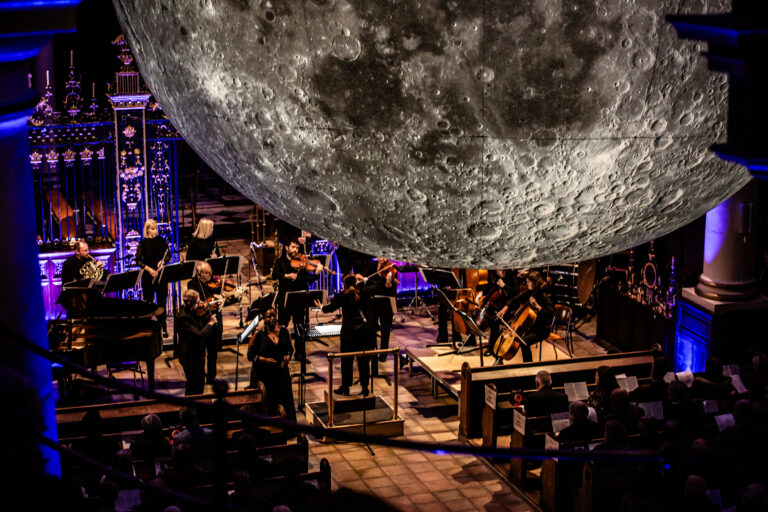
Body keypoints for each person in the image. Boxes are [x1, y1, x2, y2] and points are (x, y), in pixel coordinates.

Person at [316, 274, 377, 396]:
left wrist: (321, 307)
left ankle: (345, 388)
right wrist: (365, 280)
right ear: (356, 282)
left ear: (344, 284)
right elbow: (374, 286)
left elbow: (330, 308)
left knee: (346, 361)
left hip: (348, 333)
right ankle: (365, 388)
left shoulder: (342, 296)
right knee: (363, 361)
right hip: (362, 332)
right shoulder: (364, 292)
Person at [273, 238, 323, 361]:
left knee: (300, 327)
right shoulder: (280, 262)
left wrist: (316, 273)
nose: (296, 250)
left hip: (299, 298)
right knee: (282, 327)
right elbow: (274, 275)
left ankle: (300, 354)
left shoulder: (302, 263)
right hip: (285, 298)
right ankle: (283, 352)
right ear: (286, 248)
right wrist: (287, 275)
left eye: (297, 248)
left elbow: (309, 280)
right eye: (293, 247)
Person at [247, 307, 296, 420]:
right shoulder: (258, 333)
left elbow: (290, 349)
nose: (273, 318)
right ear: (264, 318)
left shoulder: (284, 330)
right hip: (265, 375)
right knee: (268, 404)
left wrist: (288, 356)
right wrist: (264, 359)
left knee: (283, 401)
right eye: (269, 316)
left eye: (274, 315)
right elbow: (250, 356)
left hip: (281, 373)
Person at [495, 270, 554, 362]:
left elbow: (549, 315)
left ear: (536, 282)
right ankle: (500, 359)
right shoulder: (529, 292)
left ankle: (528, 364)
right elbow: (514, 299)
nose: (527, 284)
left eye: (529, 282)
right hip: (531, 327)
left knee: (524, 341)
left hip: (542, 329)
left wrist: (538, 307)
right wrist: (505, 308)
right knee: (504, 330)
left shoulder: (544, 296)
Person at [174, 289, 217, 395]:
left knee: (200, 382)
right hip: (190, 356)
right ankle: (190, 408)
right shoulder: (183, 317)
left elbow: (199, 321)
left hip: (197, 354)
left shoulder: (191, 310)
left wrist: (206, 313)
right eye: (198, 302)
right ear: (189, 303)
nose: (200, 304)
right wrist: (210, 323)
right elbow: (198, 335)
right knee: (193, 384)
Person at [187, 261, 224, 383]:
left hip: (213, 322)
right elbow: (197, 299)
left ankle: (211, 376)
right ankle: (200, 376)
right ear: (199, 273)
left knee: (213, 352)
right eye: (206, 273)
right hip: (201, 323)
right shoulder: (192, 284)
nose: (209, 275)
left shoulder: (213, 283)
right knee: (201, 353)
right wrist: (213, 296)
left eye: (210, 273)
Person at [135, 219, 171, 336]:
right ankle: (149, 328)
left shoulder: (162, 241)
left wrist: (162, 261)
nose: (155, 231)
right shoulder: (143, 244)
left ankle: (163, 327)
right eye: (152, 228)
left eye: (156, 228)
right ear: (147, 230)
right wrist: (149, 269)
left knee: (161, 303)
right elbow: (138, 261)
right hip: (148, 276)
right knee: (149, 302)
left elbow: (168, 255)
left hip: (160, 275)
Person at [365, 257, 398, 366]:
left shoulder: (392, 269)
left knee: (385, 330)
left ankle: (383, 355)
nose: (383, 258)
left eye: (385, 256)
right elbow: (366, 283)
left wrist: (388, 282)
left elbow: (390, 288)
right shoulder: (373, 267)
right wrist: (363, 279)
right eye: (380, 256)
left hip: (387, 304)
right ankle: (373, 352)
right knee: (372, 328)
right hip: (373, 303)